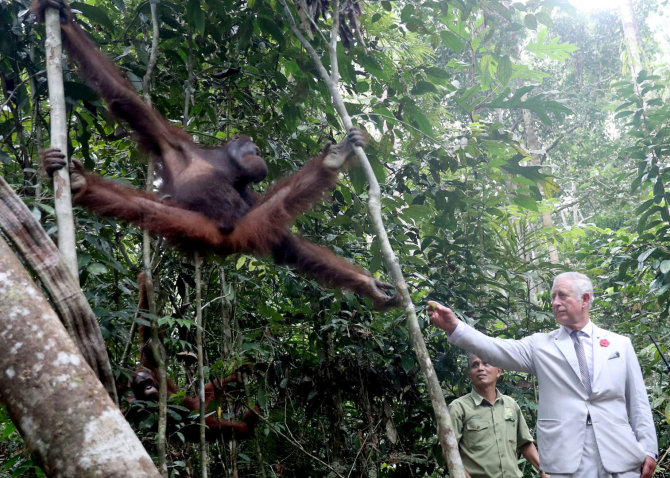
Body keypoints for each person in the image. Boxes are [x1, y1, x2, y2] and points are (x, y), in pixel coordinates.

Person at [427, 272, 657, 478]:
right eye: (553, 297)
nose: (555, 303)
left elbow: (638, 401)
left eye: (562, 296)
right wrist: (454, 327)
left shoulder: (620, 344)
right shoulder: (541, 346)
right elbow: (495, 349)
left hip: (620, 453)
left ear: (585, 299)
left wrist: (649, 449)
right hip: (566, 458)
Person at [449, 352, 550, 478]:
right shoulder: (459, 408)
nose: (480, 368)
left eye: (486, 363)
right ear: (470, 375)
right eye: (475, 365)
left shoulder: (510, 405)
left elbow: (524, 442)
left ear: (498, 371)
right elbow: (449, 453)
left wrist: (543, 470)